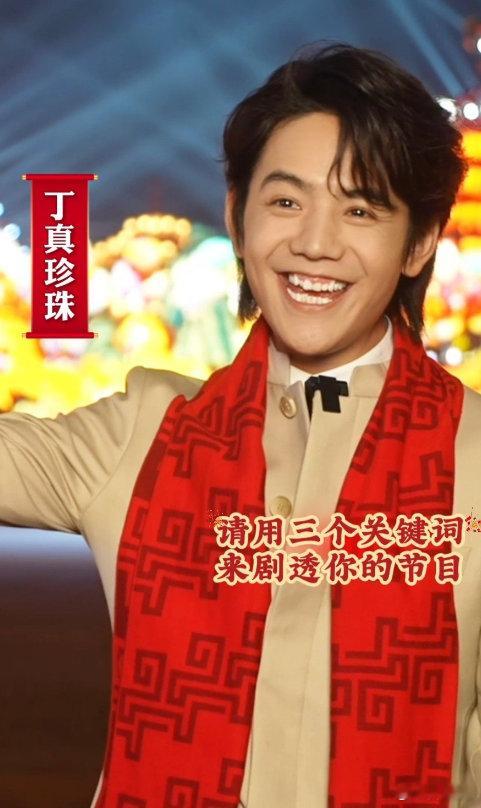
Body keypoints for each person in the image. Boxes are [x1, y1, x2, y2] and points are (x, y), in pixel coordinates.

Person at [0, 41, 479, 808]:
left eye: (359, 209)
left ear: (419, 242)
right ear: (237, 215)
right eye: (285, 202)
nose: (314, 244)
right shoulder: (143, 433)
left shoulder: (472, 456)